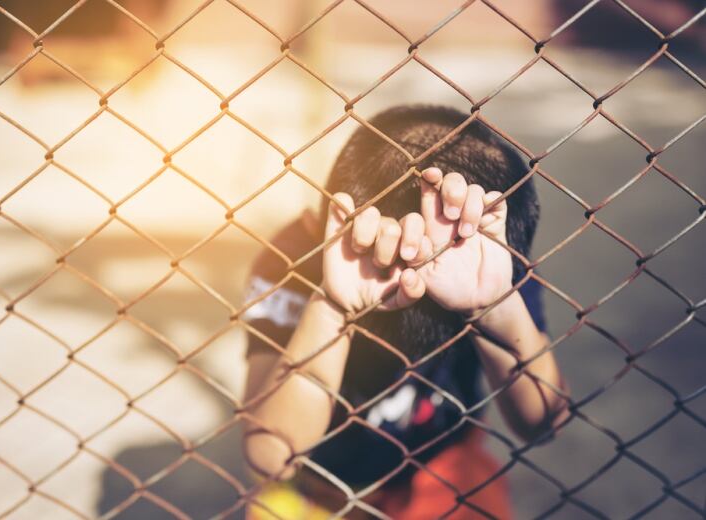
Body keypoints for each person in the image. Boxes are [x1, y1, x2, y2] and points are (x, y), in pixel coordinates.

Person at [240, 105, 570, 519]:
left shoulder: (493, 260)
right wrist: (332, 309)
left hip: (438, 463)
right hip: (316, 477)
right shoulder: (293, 258)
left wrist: (495, 308)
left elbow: (541, 423)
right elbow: (269, 455)